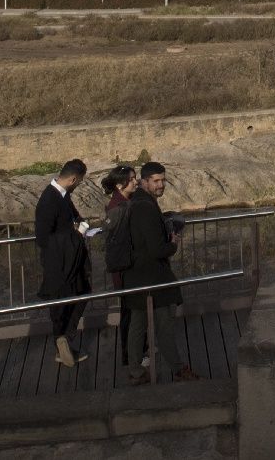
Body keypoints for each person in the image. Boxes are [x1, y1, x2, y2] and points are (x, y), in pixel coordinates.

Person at [122, 162, 199, 383]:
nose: (161, 185)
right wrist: (173, 243)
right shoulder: (145, 207)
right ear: (144, 181)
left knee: (138, 324)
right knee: (164, 322)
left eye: (163, 180)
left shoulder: (138, 202)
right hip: (151, 276)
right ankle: (177, 369)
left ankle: (135, 370)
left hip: (136, 274)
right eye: (156, 181)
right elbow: (157, 249)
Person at [34, 158, 92, 367]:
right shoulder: (49, 200)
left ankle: (64, 341)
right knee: (61, 304)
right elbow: (43, 237)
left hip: (69, 261)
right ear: (73, 179)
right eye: (79, 182)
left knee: (81, 294)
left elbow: (72, 217)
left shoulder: (63, 195)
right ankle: (62, 341)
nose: (78, 186)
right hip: (58, 264)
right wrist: (75, 235)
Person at [99, 166, 138, 365]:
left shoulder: (126, 202)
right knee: (128, 312)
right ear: (119, 184)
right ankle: (128, 355)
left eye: (135, 178)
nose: (135, 182)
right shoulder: (117, 207)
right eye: (131, 179)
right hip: (124, 267)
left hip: (128, 265)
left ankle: (136, 350)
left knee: (133, 310)